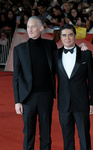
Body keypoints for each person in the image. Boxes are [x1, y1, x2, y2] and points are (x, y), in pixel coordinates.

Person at [13, 16, 57, 150]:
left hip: (46, 96)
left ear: (41, 28)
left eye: (33, 26)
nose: (30, 30)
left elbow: (61, 61)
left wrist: (81, 50)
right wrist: (17, 101)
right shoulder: (19, 49)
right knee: (28, 133)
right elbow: (16, 77)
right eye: (28, 27)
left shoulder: (50, 45)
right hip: (28, 97)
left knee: (45, 133)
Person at [53, 24, 93, 150]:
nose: (67, 38)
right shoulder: (55, 55)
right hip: (64, 103)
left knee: (84, 136)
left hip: (81, 102)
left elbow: (92, 80)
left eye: (70, 35)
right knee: (67, 137)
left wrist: (92, 101)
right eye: (64, 35)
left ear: (75, 36)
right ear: (60, 37)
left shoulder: (86, 54)